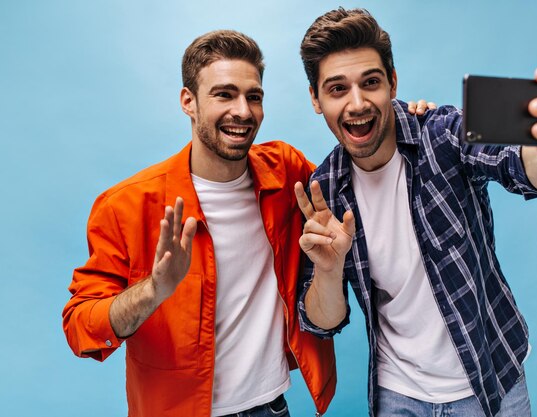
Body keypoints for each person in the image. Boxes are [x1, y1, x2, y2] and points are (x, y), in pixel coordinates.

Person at [294, 7, 537, 417]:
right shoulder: (324, 191)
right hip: (397, 396)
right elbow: (322, 322)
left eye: (371, 83)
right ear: (315, 98)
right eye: (337, 89)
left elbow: (519, 166)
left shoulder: (442, 132)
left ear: (392, 83)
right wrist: (328, 269)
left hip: (491, 379)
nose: (357, 103)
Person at [62, 30, 336, 417]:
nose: (242, 111)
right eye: (224, 94)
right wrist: (153, 291)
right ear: (187, 101)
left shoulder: (285, 172)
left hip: (271, 407)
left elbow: (355, 181)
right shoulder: (126, 205)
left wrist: (413, 123)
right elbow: (79, 326)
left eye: (253, 97)